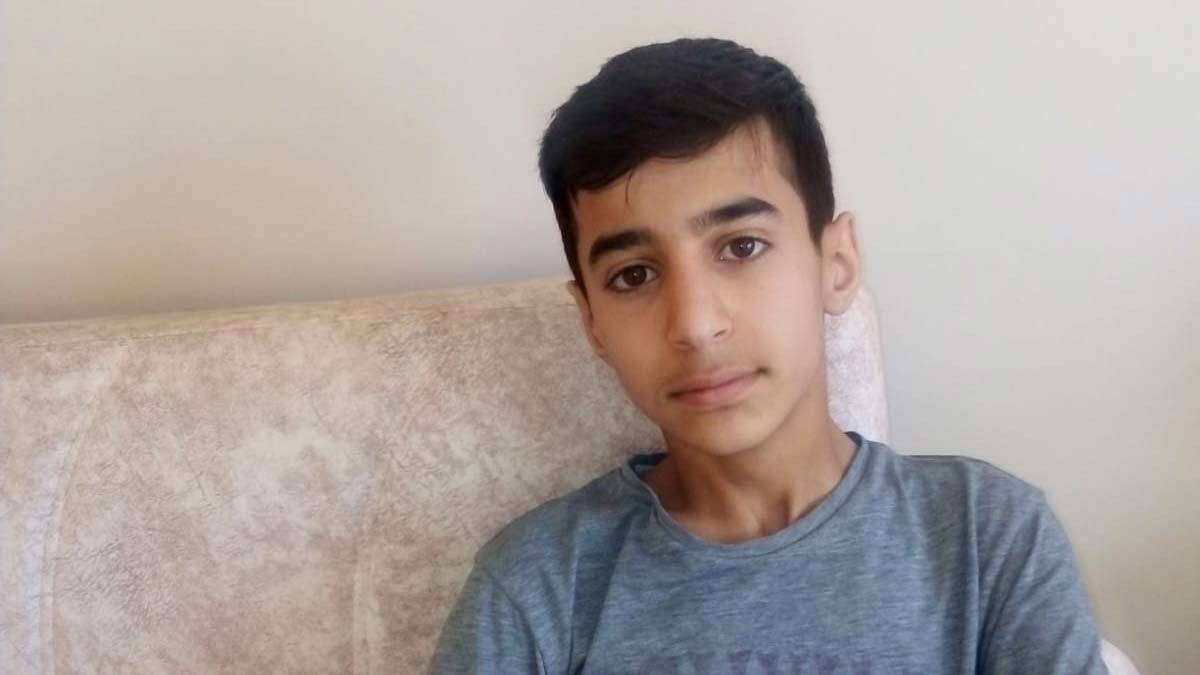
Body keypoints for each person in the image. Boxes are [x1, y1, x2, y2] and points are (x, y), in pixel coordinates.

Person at [429, 37, 1106, 674]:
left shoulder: (988, 538)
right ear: (592, 321)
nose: (695, 324)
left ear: (836, 264)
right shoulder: (537, 588)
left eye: (742, 246)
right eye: (634, 275)